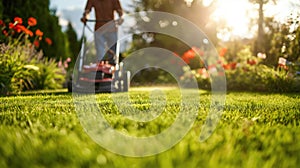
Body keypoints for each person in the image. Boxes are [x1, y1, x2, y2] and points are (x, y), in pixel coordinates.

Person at [81, 0, 123, 64]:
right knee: (100, 55)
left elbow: (120, 11)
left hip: (112, 30)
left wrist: (121, 18)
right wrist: (85, 17)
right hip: (99, 30)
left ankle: (113, 69)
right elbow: (87, 11)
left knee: (112, 56)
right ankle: (100, 71)